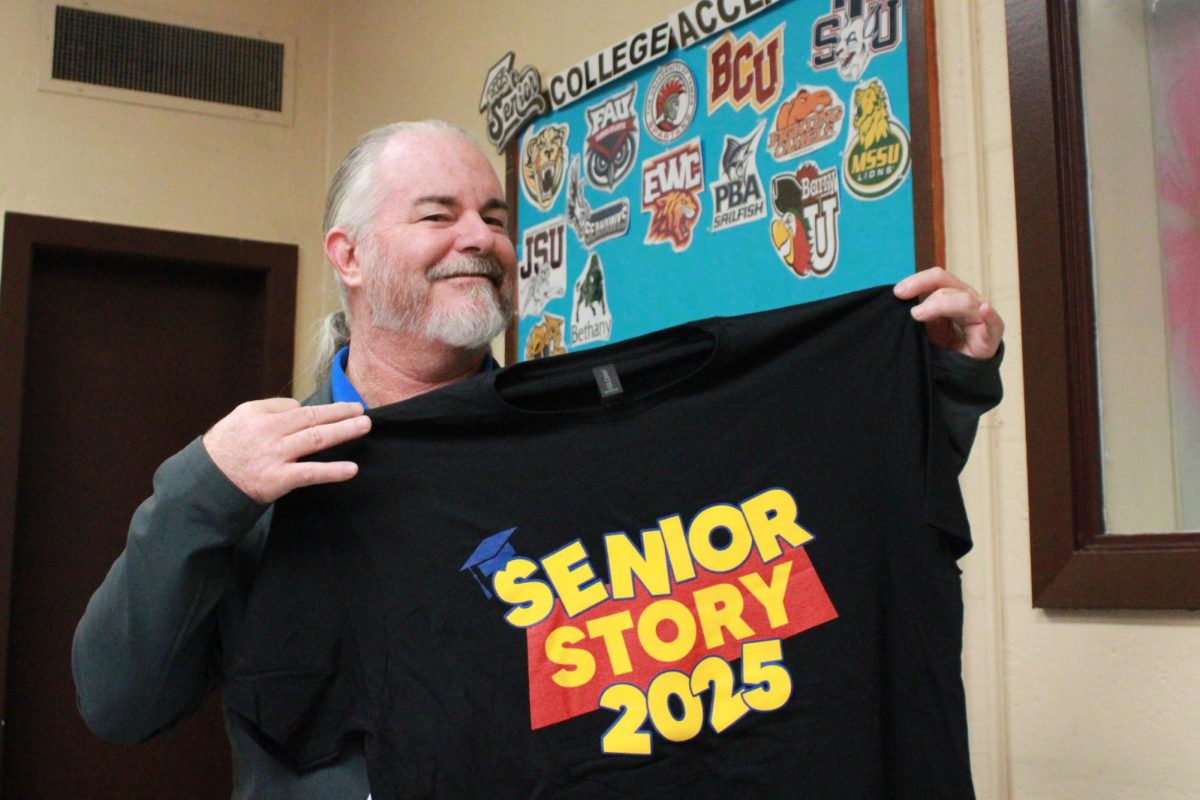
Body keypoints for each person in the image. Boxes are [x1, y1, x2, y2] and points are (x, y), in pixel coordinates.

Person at [72, 119, 1004, 800]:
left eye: (493, 214)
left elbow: (812, 533)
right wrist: (199, 491)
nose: (479, 238)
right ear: (347, 257)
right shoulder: (262, 477)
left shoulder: (592, 452)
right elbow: (118, 703)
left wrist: (941, 388)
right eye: (437, 215)